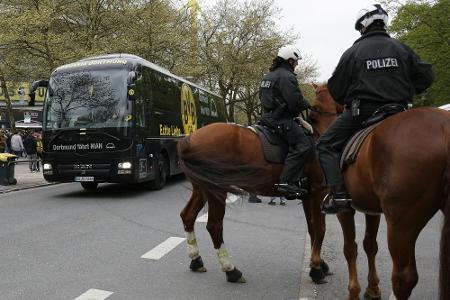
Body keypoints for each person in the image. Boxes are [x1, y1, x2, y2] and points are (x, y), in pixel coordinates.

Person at [318, 4, 434, 214]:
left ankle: (339, 195)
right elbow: (426, 76)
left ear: (363, 25)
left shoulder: (353, 52)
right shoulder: (402, 48)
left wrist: (348, 100)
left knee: (325, 144)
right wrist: (408, 89)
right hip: (399, 111)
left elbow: (336, 88)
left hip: (363, 112)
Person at [259, 45, 314, 195]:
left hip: (266, 118)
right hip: (281, 120)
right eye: (296, 61)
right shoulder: (287, 76)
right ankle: (286, 181)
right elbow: (294, 102)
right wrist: (309, 105)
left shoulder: (268, 76)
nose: (297, 64)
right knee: (303, 145)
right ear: (290, 61)